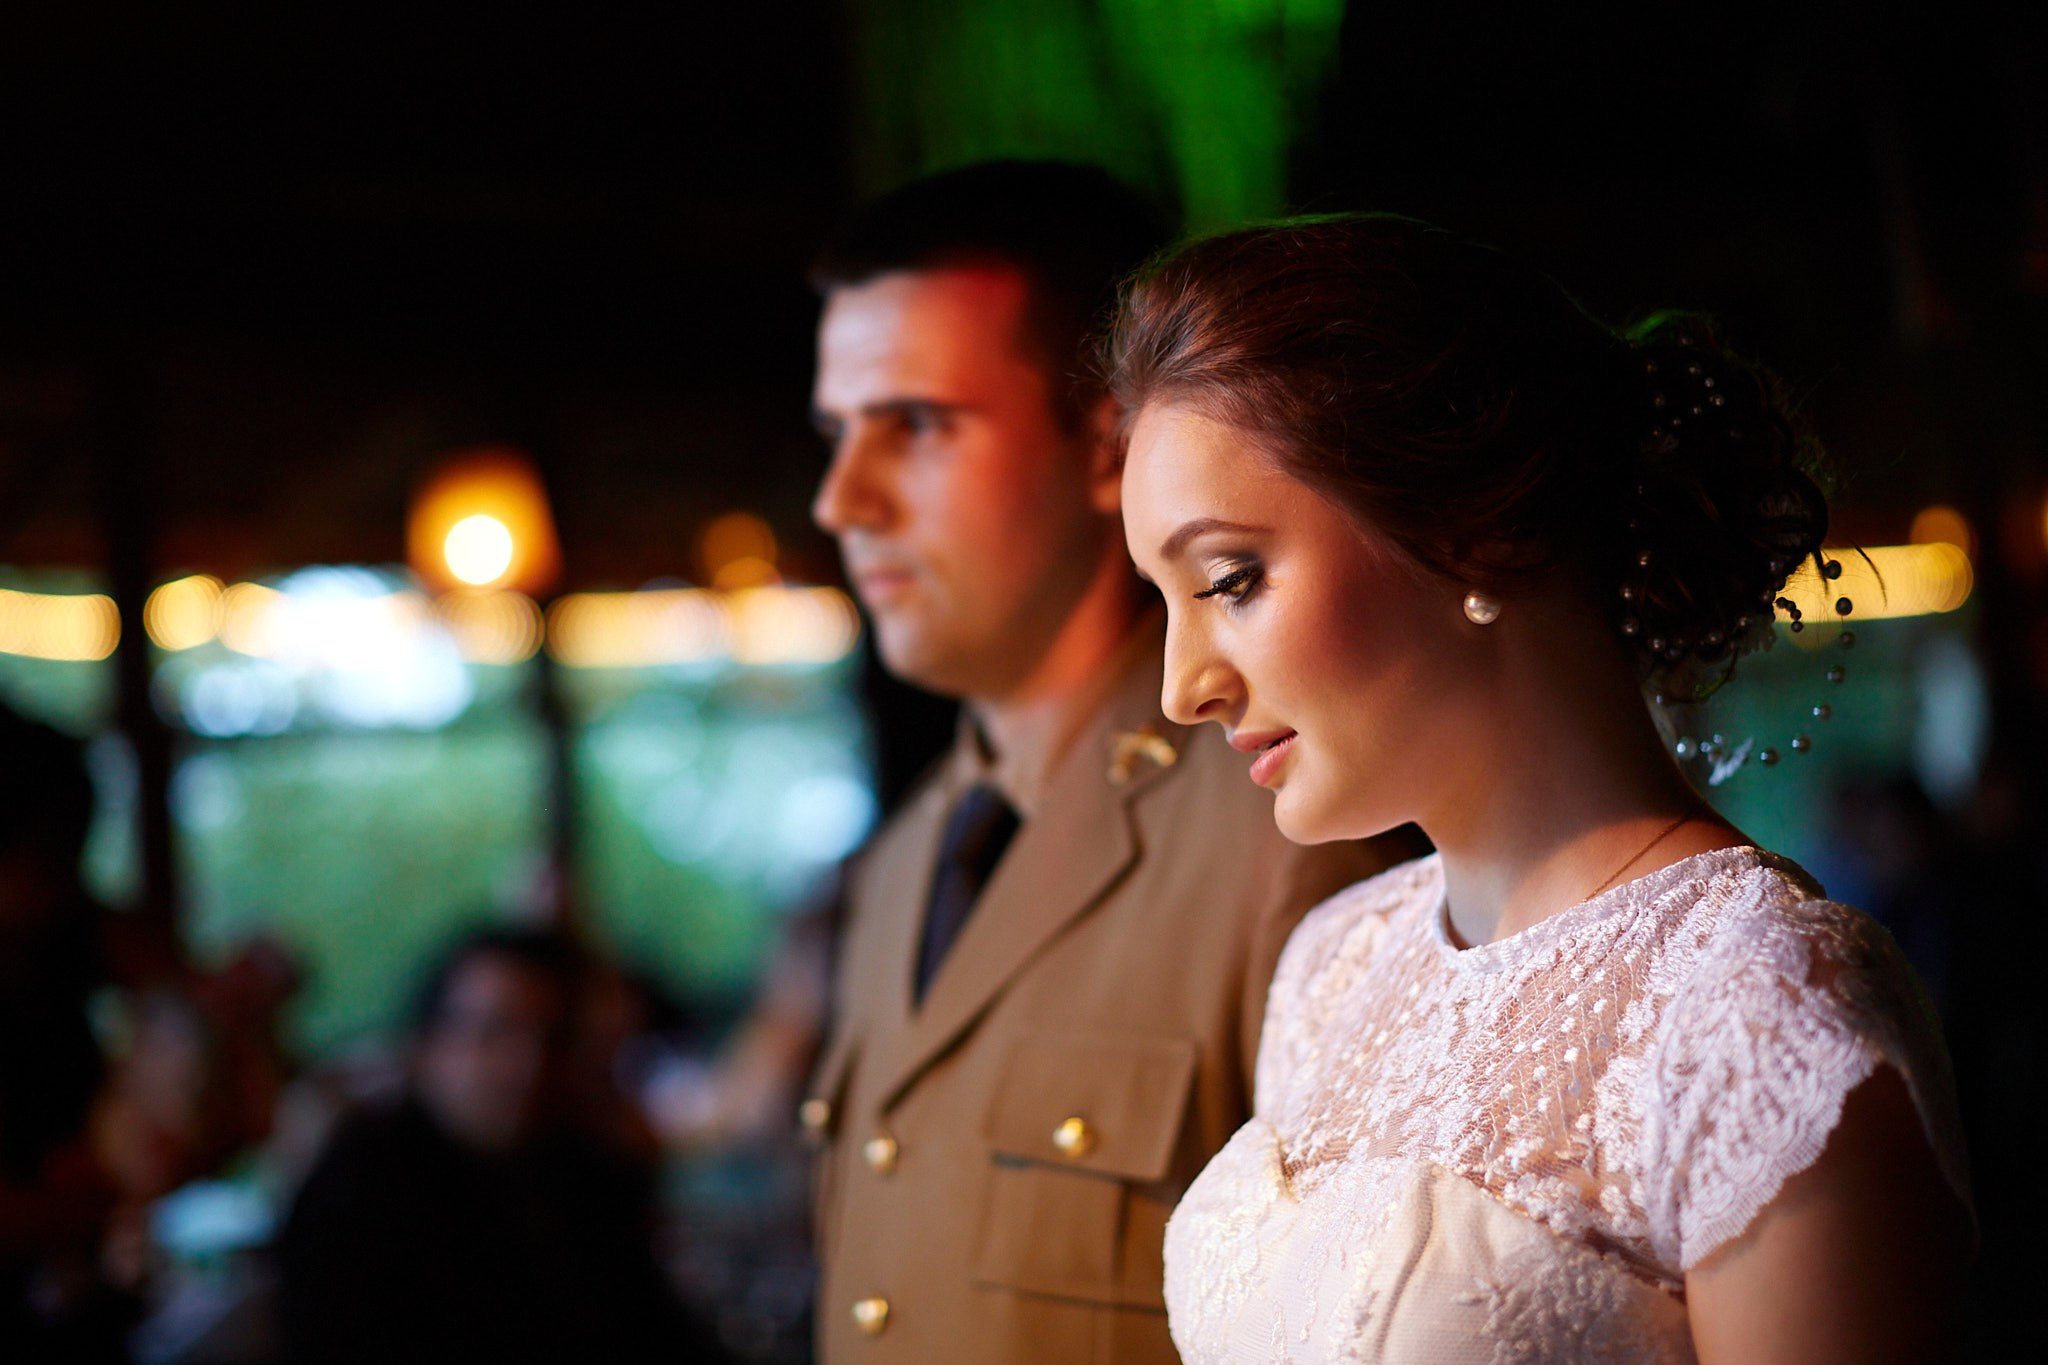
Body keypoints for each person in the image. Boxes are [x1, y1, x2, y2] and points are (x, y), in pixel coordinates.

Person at [1111, 214, 1975, 1362]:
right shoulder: (1331, 965)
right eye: (1162, 599)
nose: (1182, 689)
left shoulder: (1755, 1005)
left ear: (1470, 529)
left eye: (1229, 579)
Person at [802, 162, 1415, 1362]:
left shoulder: (1287, 834)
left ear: (1107, 444)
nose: (841, 500)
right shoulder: (901, 860)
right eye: (835, 434)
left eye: (914, 425)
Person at [274, 927, 728, 1364]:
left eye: (552, 1038)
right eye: (496, 1032)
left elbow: (657, 1331)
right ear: (427, 1045)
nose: (526, 1064)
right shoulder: (358, 1193)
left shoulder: (578, 1176)